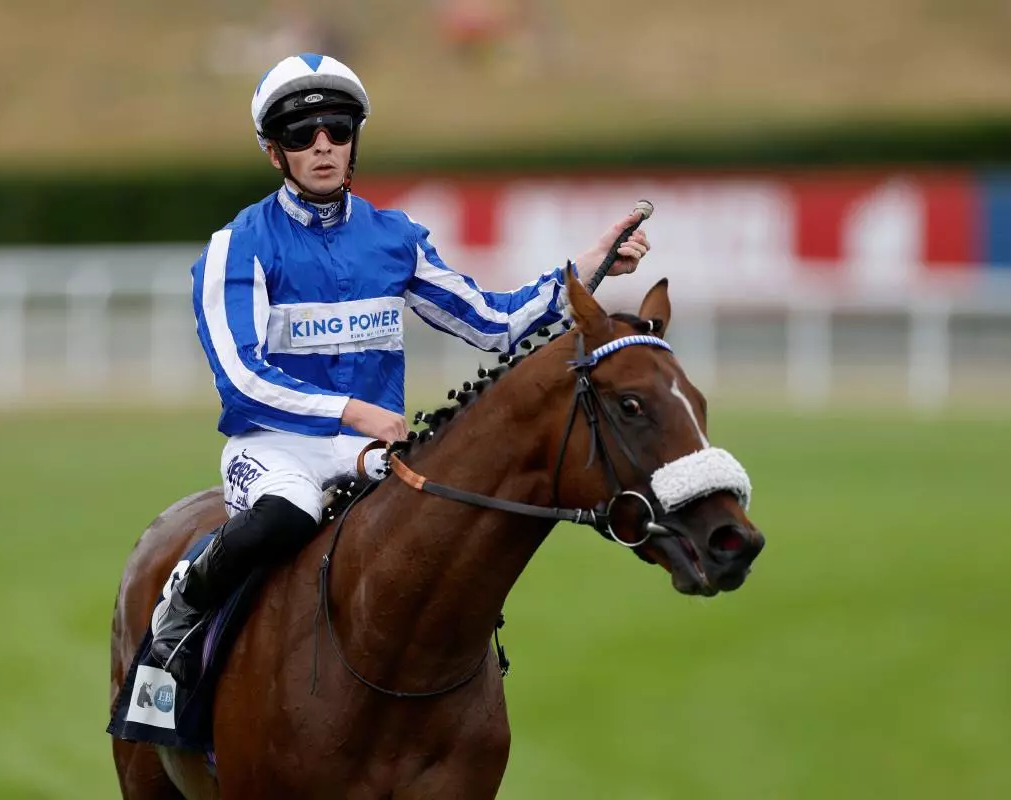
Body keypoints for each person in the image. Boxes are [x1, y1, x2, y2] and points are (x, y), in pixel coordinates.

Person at [150, 52, 650, 683]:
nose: (323, 145)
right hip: (277, 450)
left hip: (373, 447)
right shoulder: (237, 245)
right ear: (275, 151)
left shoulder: (397, 237)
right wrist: (352, 412)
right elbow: (241, 381)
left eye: (338, 128)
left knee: (444, 529)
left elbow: (493, 325)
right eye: (302, 135)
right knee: (290, 512)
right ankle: (182, 604)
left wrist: (591, 266)